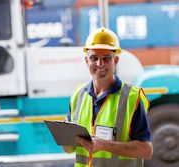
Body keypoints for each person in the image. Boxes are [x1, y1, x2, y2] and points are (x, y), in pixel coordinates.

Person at [63, 27, 153, 167]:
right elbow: (69, 149)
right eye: (94, 58)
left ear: (115, 60)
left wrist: (105, 145)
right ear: (86, 60)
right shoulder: (78, 95)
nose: (100, 64)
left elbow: (146, 151)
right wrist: (65, 138)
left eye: (106, 58)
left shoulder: (131, 98)